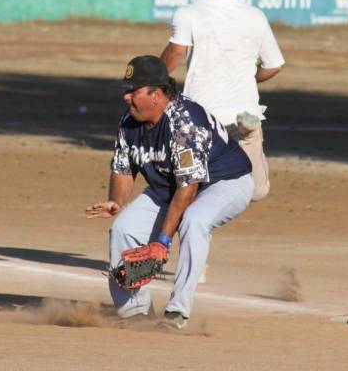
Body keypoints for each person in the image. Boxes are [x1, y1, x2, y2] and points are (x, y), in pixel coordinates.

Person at [85, 55, 253, 331]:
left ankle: (177, 311)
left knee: (195, 221)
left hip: (225, 182)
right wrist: (116, 201)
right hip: (170, 187)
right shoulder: (129, 124)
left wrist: (162, 241)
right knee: (123, 229)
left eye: (134, 90)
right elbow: (123, 169)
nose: (127, 97)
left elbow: (189, 189)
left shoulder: (184, 122)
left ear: (158, 94)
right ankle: (135, 312)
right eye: (126, 90)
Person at [161, 0, 285, 201]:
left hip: (200, 120)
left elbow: (175, 56)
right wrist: (249, 78)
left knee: (187, 188)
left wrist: (151, 80)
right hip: (243, 118)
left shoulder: (188, 13)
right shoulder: (255, 16)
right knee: (257, 190)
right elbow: (274, 65)